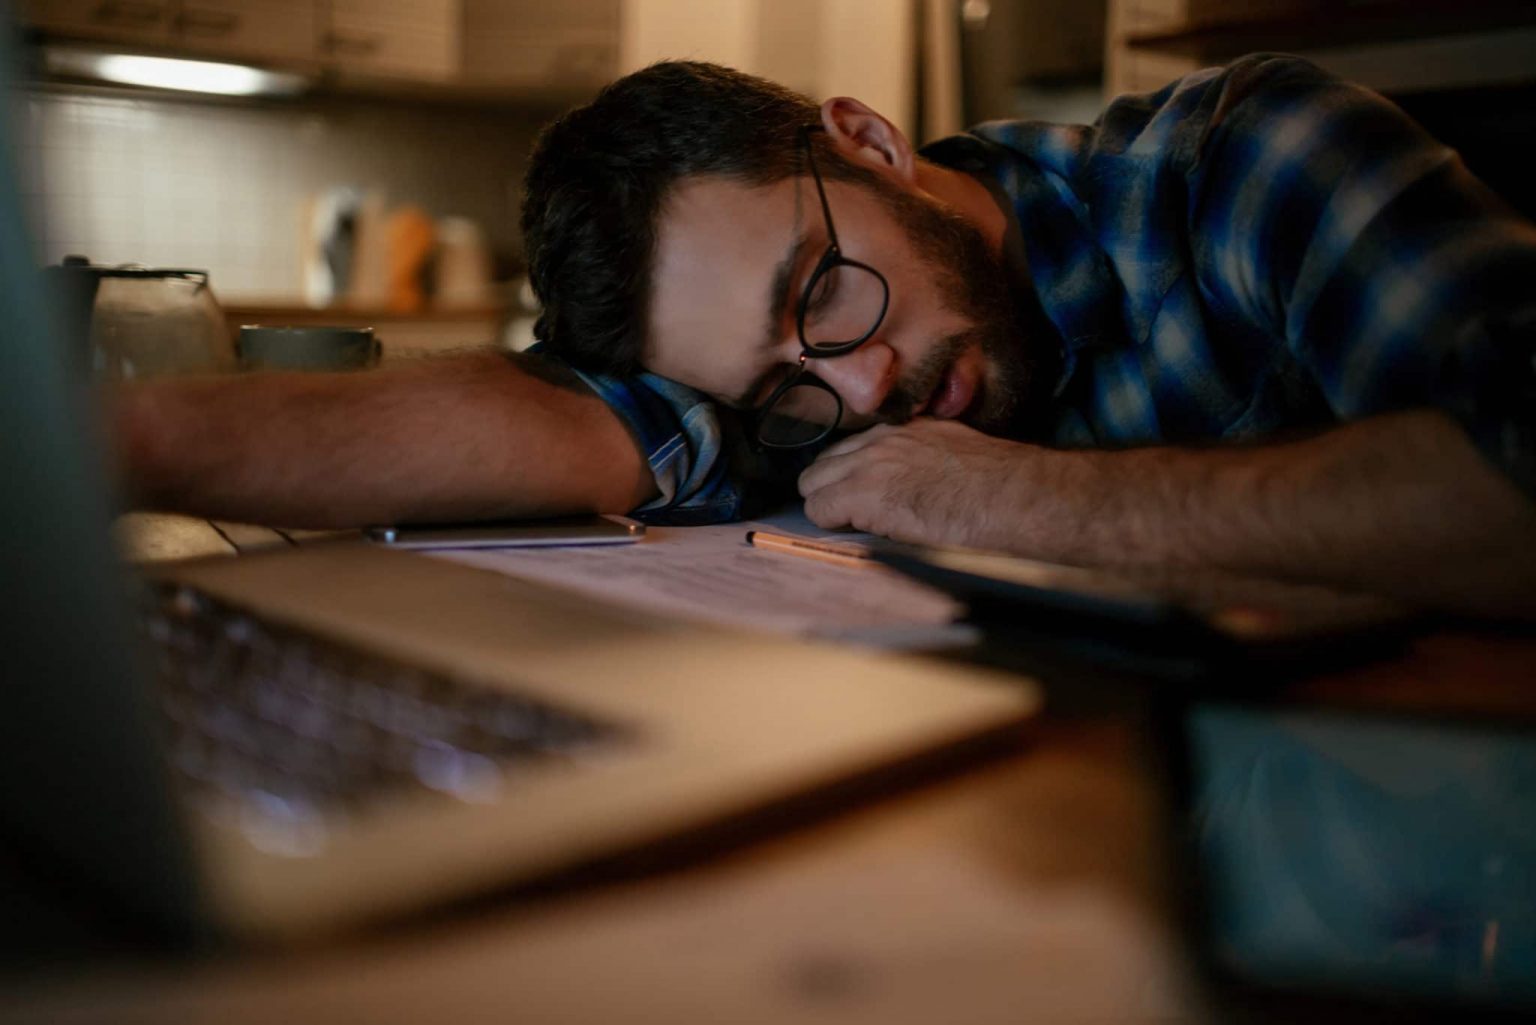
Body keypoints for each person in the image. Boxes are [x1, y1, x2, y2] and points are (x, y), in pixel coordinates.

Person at [114, 55, 1536, 617]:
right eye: (784, 383)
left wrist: (1019, 498)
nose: (861, 386)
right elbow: (547, 429)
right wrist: (99, 444)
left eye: (823, 290)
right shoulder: (796, 387)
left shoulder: (1244, 165)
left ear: (868, 141)